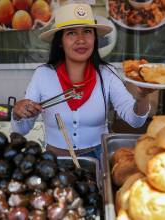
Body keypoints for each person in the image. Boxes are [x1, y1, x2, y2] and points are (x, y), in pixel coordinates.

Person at [11, 3, 153, 159]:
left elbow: (135, 121)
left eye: (87, 32)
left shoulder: (107, 74)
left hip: (97, 159)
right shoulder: (43, 75)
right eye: (71, 33)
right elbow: (22, 130)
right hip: (55, 161)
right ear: (60, 41)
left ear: (95, 38)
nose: (81, 40)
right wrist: (19, 113)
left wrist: (142, 97)